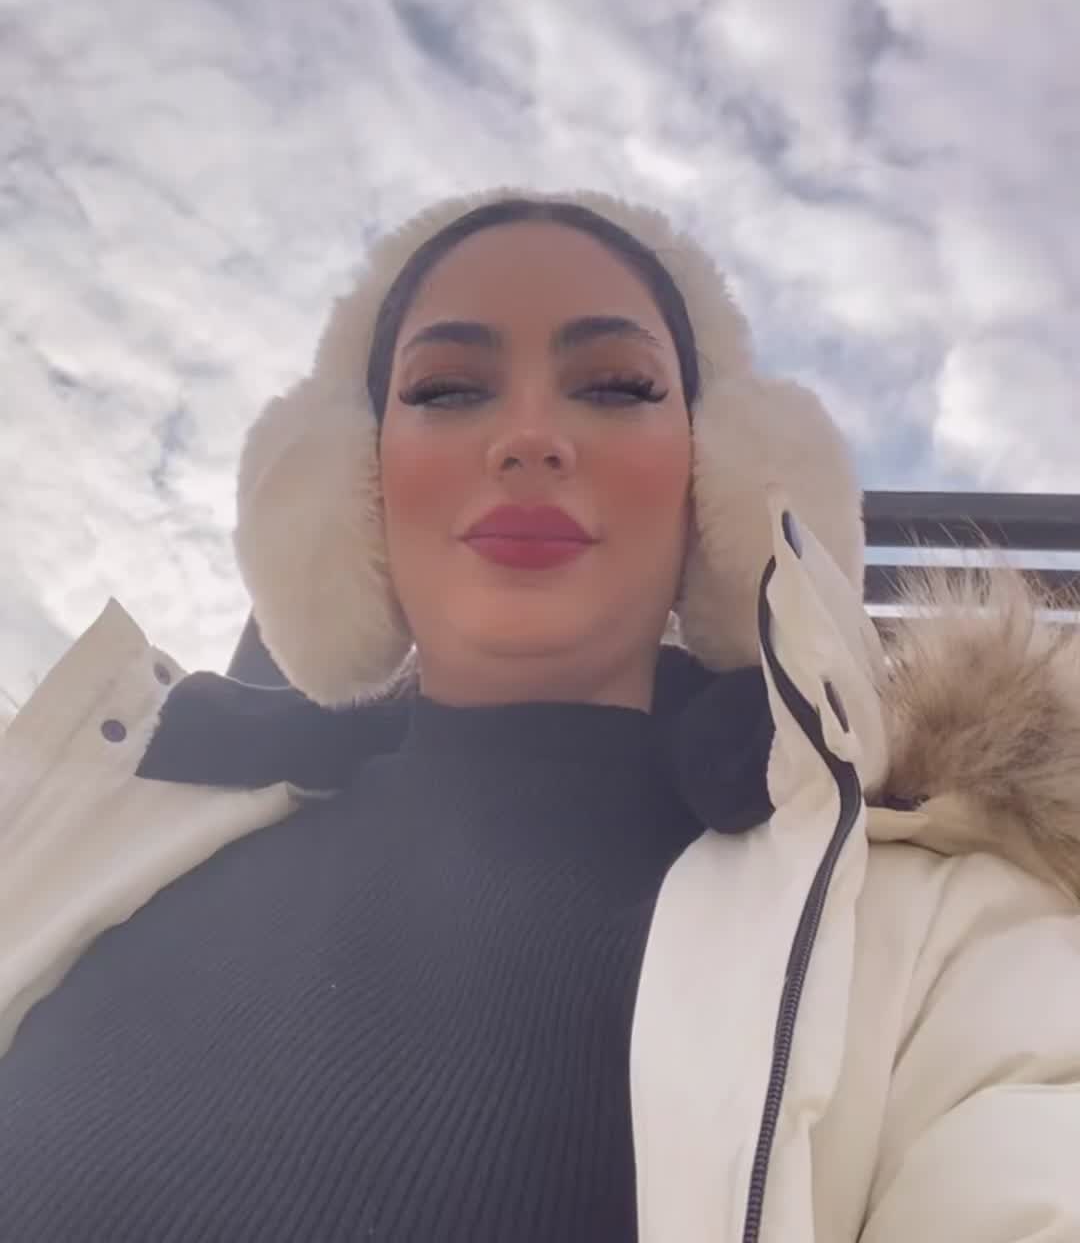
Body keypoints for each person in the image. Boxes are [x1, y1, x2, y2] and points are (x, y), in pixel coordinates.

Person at [2, 185, 1079, 1243]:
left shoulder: (937, 939)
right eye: (446, 390)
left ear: (724, 474)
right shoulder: (91, 828)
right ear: (350, 481)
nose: (528, 439)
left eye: (614, 386)